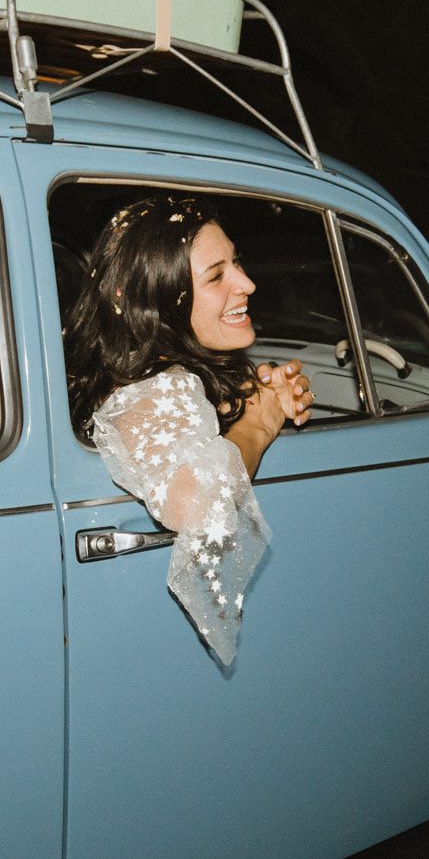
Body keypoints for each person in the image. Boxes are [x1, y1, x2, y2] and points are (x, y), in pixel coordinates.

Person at [65, 196, 314, 664]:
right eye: (216, 276)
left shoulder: (135, 371)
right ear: (157, 299)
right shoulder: (155, 389)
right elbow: (201, 503)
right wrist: (259, 421)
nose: (247, 284)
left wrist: (255, 396)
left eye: (236, 262)